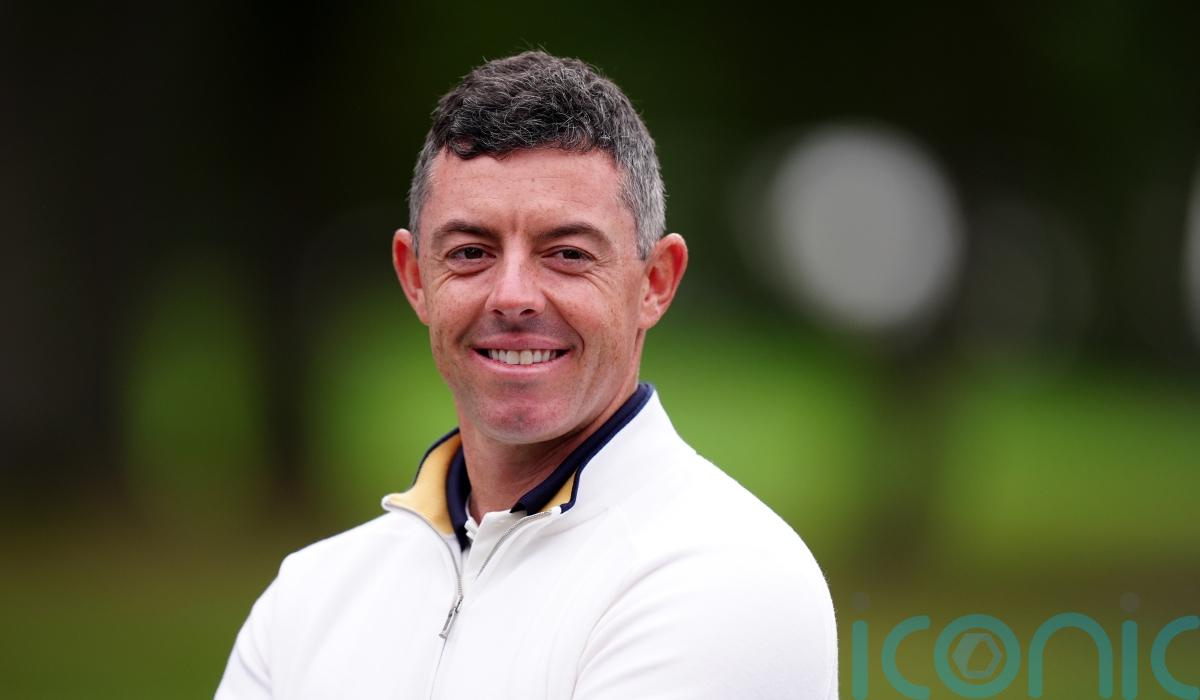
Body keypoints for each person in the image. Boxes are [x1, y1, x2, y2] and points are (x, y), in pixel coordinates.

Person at [216, 50, 837, 699]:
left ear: (655, 282)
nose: (513, 296)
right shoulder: (308, 601)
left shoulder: (727, 575)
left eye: (567, 253)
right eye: (471, 252)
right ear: (415, 277)